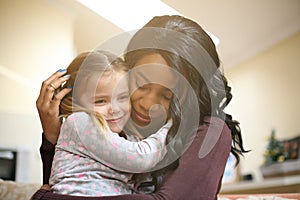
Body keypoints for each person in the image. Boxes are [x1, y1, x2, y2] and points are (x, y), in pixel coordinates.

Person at [32, 15, 248, 200]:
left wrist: (45, 198)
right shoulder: (116, 125)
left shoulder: (210, 132)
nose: (146, 104)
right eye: (141, 84)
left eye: (166, 94)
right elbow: (73, 185)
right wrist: (54, 138)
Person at [48, 50, 172, 197]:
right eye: (100, 101)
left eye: (122, 97)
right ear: (74, 102)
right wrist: (173, 125)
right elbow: (142, 159)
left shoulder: (127, 140)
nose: (114, 109)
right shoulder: (79, 122)